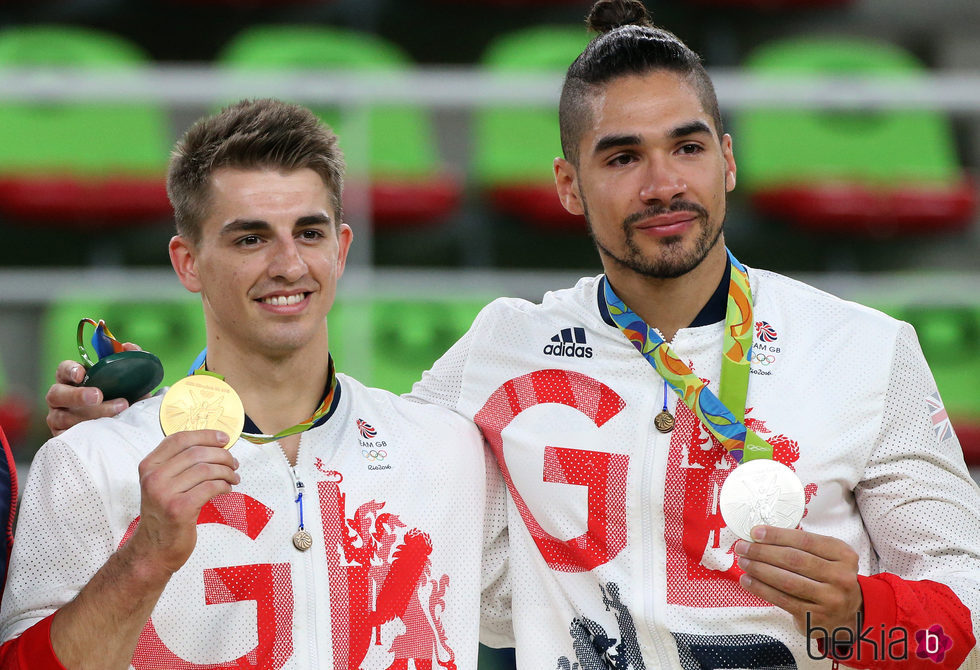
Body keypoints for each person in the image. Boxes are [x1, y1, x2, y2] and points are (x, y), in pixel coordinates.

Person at [42, 3, 980, 669]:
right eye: (621, 157)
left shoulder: (866, 350)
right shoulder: (503, 349)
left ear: (729, 161)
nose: (663, 183)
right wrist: (133, 426)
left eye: (687, 146)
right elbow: (328, 453)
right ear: (570, 187)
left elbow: (961, 630)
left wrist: (864, 618)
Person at [3, 98, 502, 669]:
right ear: (187, 262)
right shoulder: (91, 460)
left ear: (340, 251)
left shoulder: (445, 451)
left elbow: (571, 604)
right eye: (250, 239)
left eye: (309, 233)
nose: (289, 265)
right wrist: (145, 558)